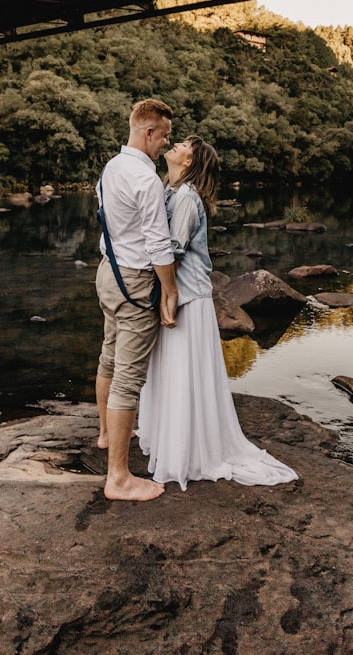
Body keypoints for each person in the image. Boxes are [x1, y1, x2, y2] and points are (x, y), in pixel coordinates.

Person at [137, 135, 298, 491]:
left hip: (186, 298)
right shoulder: (170, 191)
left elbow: (171, 252)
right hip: (176, 294)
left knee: (182, 373)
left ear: (190, 163)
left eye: (182, 146)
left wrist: (165, 294)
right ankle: (173, 438)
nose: (174, 146)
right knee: (171, 371)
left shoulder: (184, 200)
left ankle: (186, 451)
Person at [95, 98, 179, 501]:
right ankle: (119, 478)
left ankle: (105, 435)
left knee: (108, 356)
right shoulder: (145, 180)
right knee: (128, 378)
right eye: (164, 136)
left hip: (107, 272)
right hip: (135, 281)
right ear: (149, 132)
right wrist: (171, 289)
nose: (166, 144)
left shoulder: (113, 167)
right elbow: (158, 243)